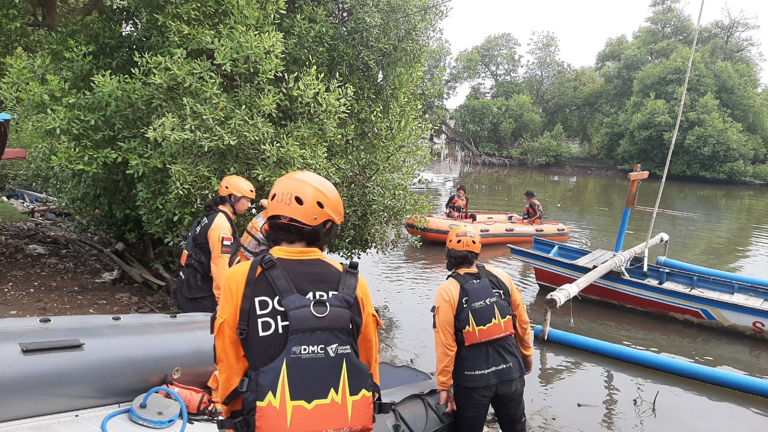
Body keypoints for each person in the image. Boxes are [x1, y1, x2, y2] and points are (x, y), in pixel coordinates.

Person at [214, 170, 383, 432]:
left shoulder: (240, 278)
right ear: (326, 228)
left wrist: (232, 421)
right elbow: (368, 364)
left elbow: (229, 366)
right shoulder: (353, 284)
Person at [431, 226, 534, 432]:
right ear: (478, 251)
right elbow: (522, 322)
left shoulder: (448, 290)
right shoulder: (501, 277)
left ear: (448, 253)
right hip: (511, 372)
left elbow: (445, 344)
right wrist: (527, 355)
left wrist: (444, 385)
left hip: (473, 380)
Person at [176, 175, 256, 313]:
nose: (249, 205)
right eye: (247, 200)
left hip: (191, 284)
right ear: (233, 198)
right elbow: (219, 265)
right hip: (198, 293)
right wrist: (223, 301)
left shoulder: (212, 217)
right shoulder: (221, 225)